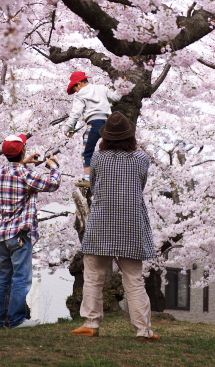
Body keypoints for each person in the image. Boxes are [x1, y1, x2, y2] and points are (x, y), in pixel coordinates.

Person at [71, 111, 160, 342]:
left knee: (93, 276)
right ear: (130, 136)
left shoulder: (98, 159)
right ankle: (143, 330)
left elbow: (94, 183)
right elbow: (140, 186)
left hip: (101, 221)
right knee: (134, 278)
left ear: (106, 137)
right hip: (130, 223)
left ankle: (91, 323)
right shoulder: (142, 159)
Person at [0, 134, 61, 330]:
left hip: (3, 234)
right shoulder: (25, 174)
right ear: (22, 151)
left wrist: (25, 162)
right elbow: (52, 184)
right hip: (20, 234)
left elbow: (18, 171)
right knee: (21, 277)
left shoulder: (2, 171)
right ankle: (16, 320)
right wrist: (53, 166)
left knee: (3, 279)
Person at [62, 71, 121, 188]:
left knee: (87, 151)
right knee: (111, 151)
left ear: (78, 84)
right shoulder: (102, 88)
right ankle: (116, 176)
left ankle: (88, 178)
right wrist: (122, 86)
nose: (75, 92)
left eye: (75, 89)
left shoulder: (80, 95)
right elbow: (116, 97)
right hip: (108, 124)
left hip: (93, 124)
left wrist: (67, 127)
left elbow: (76, 113)